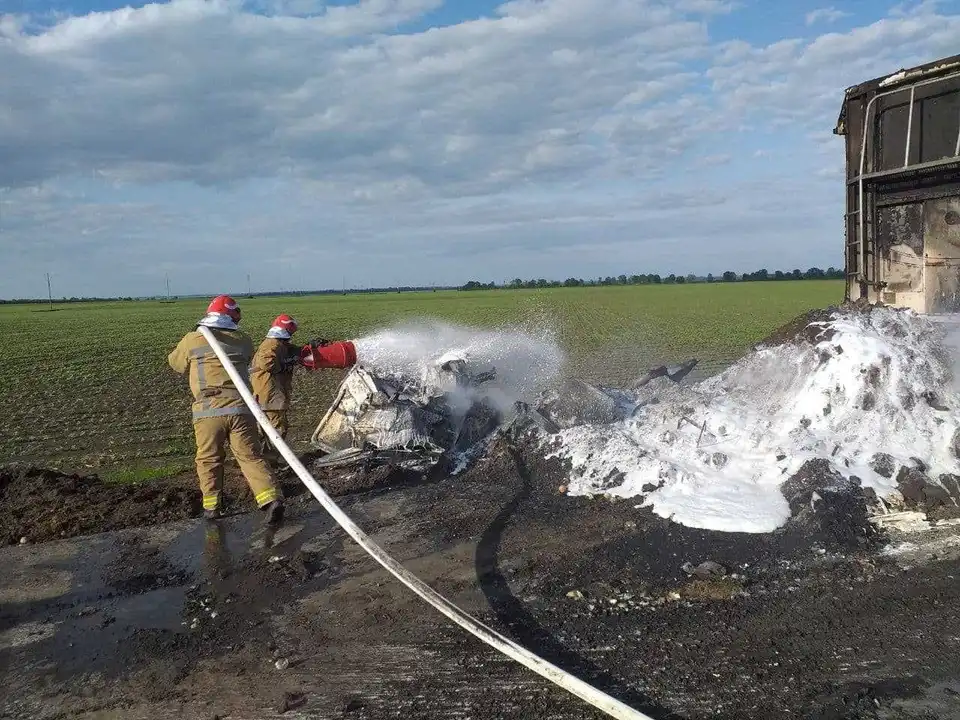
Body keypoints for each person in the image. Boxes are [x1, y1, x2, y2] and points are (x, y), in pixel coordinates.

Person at [167, 294, 284, 524]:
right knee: (250, 456)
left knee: (208, 458)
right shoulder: (243, 340)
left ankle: (212, 507)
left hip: (208, 410)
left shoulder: (193, 339)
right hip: (242, 409)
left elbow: (175, 363)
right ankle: (271, 499)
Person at [250, 314, 303, 470]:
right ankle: (269, 462)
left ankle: (257, 460)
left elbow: (290, 351)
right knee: (277, 429)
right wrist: (283, 366)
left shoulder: (277, 343)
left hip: (268, 395)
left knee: (264, 429)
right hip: (270, 395)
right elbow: (267, 362)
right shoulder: (272, 344)